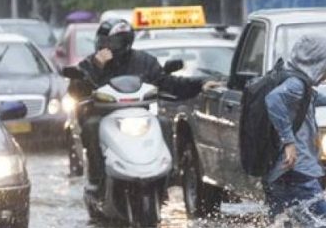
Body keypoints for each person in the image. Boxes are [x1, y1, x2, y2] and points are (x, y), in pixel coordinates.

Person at [199, 34, 326, 228]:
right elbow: (275, 101)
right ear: (317, 62)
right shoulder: (295, 83)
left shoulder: (291, 77)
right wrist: (289, 141)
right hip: (296, 173)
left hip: (278, 175)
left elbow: (304, 97)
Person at [69, 18, 221, 182]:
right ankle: (97, 177)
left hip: (141, 116)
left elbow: (168, 83)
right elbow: (75, 90)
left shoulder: (144, 62)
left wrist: (201, 83)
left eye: (111, 42)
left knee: (163, 122)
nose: (105, 47)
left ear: (125, 42)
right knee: (91, 126)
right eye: (103, 42)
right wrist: (96, 66)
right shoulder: (91, 63)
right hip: (105, 116)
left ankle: (169, 175)